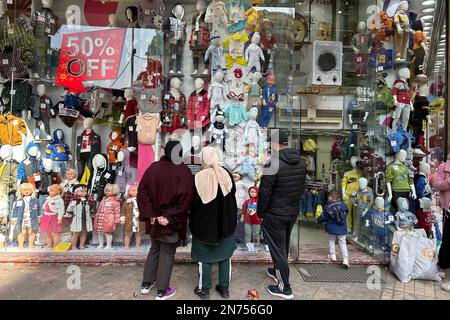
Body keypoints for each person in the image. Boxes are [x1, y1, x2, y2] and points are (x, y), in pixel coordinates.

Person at [137, 140, 193, 300]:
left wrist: (153, 214)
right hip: (171, 222)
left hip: (155, 221)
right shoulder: (184, 172)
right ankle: (162, 290)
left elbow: (142, 192)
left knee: (154, 249)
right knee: (167, 253)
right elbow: (186, 200)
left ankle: (146, 284)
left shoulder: (153, 168)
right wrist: (167, 217)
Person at [257, 130, 306, 300]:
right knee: (282, 246)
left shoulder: (273, 164)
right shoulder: (301, 162)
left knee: (278, 249)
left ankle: (284, 288)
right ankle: (276, 270)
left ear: (276, 144)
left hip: (275, 214)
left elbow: (265, 193)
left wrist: (261, 214)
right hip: (291, 213)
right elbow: (301, 189)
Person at [190, 146, 237, 300]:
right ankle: (224, 288)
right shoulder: (227, 175)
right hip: (226, 224)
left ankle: (204, 289)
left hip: (204, 227)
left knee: (204, 257)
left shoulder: (198, 177)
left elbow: (193, 203)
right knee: (225, 256)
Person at [317, 190, 350, 268]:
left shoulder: (327, 207)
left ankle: (333, 255)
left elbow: (324, 217)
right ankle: (345, 259)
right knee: (342, 242)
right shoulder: (343, 205)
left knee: (331, 240)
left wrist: (319, 219)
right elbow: (346, 213)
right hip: (342, 227)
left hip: (332, 228)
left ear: (329, 197)